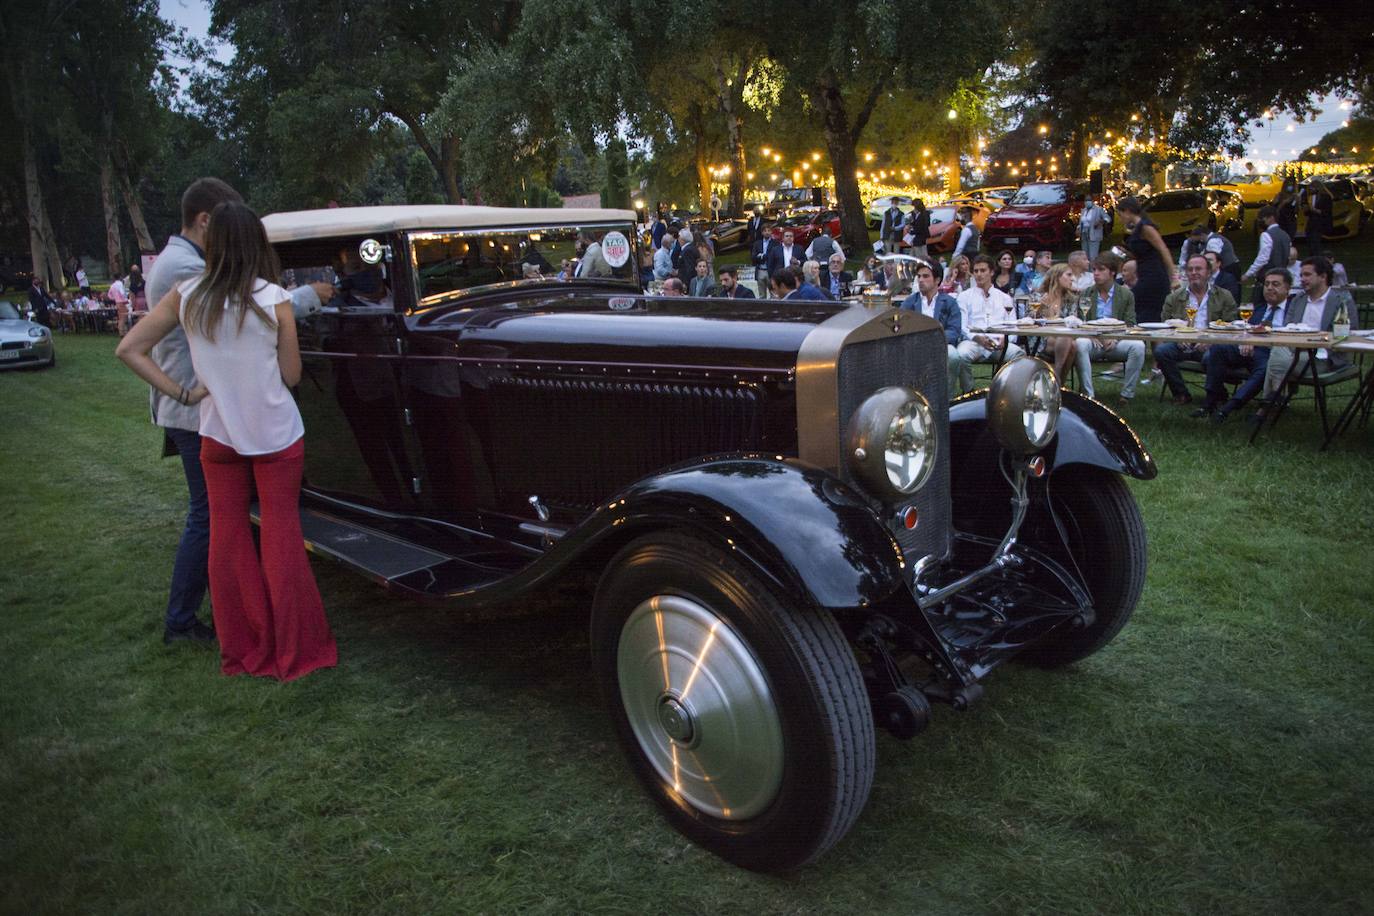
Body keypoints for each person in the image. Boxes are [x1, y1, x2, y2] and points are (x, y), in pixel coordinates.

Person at [116, 200, 337, 681]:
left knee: (228, 536)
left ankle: (242, 649)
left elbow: (129, 348)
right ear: (256, 243)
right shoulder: (274, 297)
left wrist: (183, 393)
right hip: (274, 432)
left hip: (216, 432)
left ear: (212, 243)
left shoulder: (186, 294)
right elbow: (292, 374)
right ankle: (294, 649)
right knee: (280, 535)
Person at [1253, 255, 1359, 423]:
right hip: (1294, 352)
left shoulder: (1341, 300)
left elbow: (1348, 333)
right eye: (1301, 275)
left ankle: (1271, 402)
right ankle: (1275, 400)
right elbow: (1286, 330)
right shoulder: (1298, 300)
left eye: (1307, 275)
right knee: (1279, 351)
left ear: (1323, 277)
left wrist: (1317, 339)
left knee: (1276, 356)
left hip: (1325, 356)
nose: (1302, 279)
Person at [1195, 267, 1290, 424]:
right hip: (1247, 348)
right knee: (1218, 349)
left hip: (1272, 352)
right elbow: (1245, 329)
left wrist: (1255, 342)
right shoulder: (1259, 309)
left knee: (1265, 369)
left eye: (1275, 284)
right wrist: (1245, 340)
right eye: (1267, 284)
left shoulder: (1292, 309)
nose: (1270, 288)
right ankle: (1210, 402)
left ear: (1287, 288)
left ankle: (1229, 408)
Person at [1155, 254, 1239, 406]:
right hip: (1182, 343)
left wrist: (1210, 340)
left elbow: (1231, 326)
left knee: (1212, 357)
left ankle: (1217, 394)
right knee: (1162, 351)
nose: (1194, 272)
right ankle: (1181, 394)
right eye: (1190, 269)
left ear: (1208, 272)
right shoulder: (1174, 298)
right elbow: (1164, 326)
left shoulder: (1224, 296)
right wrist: (1177, 337)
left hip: (1211, 345)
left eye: (1198, 269)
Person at [1071, 255, 1146, 405]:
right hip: (1093, 339)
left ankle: (1127, 394)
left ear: (1112, 272)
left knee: (1139, 346)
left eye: (1101, 269)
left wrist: (1115, 337)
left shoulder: (1126, 294)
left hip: (1116, 340)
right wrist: (1093, 335)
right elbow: (1081, 321)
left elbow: (1130, 323)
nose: (1096, 273)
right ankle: (1088, 395)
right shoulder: (1087, 293)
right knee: (1080, 344)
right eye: (1094, 270)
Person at [952, 255, 1024, 393]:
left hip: (999, 341)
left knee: (1018, 354)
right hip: (974, 341)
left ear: (991, 272)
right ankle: (969, 392)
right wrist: (976, 337)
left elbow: (1013, 324)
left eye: (983, 270)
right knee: (960, 355)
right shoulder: (964, 296)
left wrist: (1006, 338)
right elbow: (962, 325)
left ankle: (1006, 391)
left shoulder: (1004, 297)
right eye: (976, 271)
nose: (979, 274)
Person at [899, 259, 963, 392]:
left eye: (926, 276)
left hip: (941, 344)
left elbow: (954, 330)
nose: (921, 280)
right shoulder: (910, 302)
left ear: (937, 280)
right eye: (919, 276)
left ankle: (947, 398)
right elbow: (900, 327)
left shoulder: (949, 302)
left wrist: (934, 338)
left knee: (953, 356)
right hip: (915, 344)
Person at [1117, 195, 1175, 323]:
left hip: (1153, 275)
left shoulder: (1145, 227)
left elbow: (1163, 249)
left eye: (1120, 215)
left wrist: (1173, 277)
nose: (1120, 219)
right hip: (1144, 273)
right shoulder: (1136, 229)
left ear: (1127, 211)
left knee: (1134, 303)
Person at [1035, 263, 1082, 382]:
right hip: (1040, 338)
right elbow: (1029, 320)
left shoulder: (1071, 299)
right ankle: (1059, 380)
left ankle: (1057, 378)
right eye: (1069, 275)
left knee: (1070, 342)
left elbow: (1073, 321)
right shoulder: (1039, 296)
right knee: (1069, 341)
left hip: (1063, 338)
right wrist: (1042, 308)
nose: (1072, 278)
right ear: (1057, 277)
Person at [1241, 205, 1291, 306]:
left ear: (1271, 218)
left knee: (1259, 306)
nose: (1261, 221)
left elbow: (1263, 258)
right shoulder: (1285, 235)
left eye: (1262, 218)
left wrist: (1248, 274)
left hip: (1266, 278)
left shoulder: (1266, 235)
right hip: (1282, 277)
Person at [1301, 181, 1333, 256]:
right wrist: (1306, 209)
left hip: (1320, 223)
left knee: (1316, 242)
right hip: (1311, 222)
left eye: (1312, 188)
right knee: (1309, 240)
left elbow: (1327, 212)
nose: (1311, 190)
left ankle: (1317, 257)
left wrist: (1315, 210)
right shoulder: (1310, 197)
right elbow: (1307, 213)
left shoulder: (1326, 197)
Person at [750, 231, 774, 296]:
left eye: (769, 230)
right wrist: (764, 257)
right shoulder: (757, 243)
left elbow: (773, 256)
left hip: (770, 271)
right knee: (762, 294)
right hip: (760, 270)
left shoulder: (775, 243)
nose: (767, 232)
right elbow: (753, 257)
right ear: (762, 232)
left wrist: (762, 256)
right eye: (765, 231)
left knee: (773, 294)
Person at [109, 271, 130, 335]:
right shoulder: (120, 284)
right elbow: (122, 293)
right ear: (120, 277)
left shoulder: (112, 285)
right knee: (123, 317)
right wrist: (125, 299)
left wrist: (115, 298)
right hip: (122, 302)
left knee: (121, 317)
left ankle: (123, 331)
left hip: (117, 302)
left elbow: (109, 295)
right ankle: (122, 332)